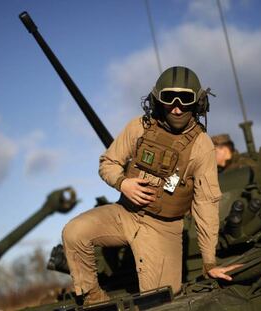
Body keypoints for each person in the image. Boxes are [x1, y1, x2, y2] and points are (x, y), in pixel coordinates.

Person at [62, 66, 240, 305]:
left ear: (197, 103)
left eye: (185, 99)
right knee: (74, 232)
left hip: (163, 228)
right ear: (158, 100)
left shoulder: (201, 145)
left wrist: (209, 261)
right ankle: (94, 300)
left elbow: (205, 204)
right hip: (124, 214)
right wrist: (123, 183)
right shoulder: (139, 127)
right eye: (169, 98)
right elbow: (108, 163)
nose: (177, 107)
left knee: (158, 303)